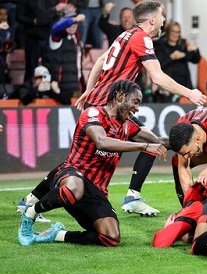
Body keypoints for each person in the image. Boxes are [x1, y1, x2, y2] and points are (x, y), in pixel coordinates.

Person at [72, 0, 205, 216]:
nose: (164, 21)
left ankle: (133, 195)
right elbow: (157, 76)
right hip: (109, 106)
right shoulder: (141, 38)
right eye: (162, 16)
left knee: (149, 142)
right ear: (152, 19)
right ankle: (34, 201)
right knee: (81, 161)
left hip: (102, 101)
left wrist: (89, 89)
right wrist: (189, 92)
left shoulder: (126, 34)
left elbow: (99, 62)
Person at [17, 79, 167, 247]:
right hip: (71, 175)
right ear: (119, 97)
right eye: (135, 102)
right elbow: (101, 141)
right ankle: (31, 213)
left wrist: (187, 141)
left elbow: (159, 141)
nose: (137, 108)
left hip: (97, 191)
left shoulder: (127, 126)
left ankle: (57, 234)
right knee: (75, 188)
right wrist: (144, 146)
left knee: (111, 237)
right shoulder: (93, 114)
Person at [16, 0, 68, 82]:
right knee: (31, 66)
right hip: (32, 37)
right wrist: (33, 21)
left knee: (49, 66)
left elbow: (56, 15)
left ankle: (48, 91)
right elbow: (19, 16)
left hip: (48, 36)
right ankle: (28, 91)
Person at [152, 20, 201, 103]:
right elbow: (158, 66)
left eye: (177, 32)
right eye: (173, 31)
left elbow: (196, 59)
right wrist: (171, 58)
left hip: (184, 85)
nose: (175, 34)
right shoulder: (160, 45)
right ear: (168, 32)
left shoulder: (183, 45)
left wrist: (195, 51)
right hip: (168, 87)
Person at [43, 13, 87, 105]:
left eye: (74, 24)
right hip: (60, 88)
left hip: (76, 87)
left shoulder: (77, 40)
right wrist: (74, 20)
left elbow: (78, 65)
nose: (72, 26)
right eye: (69, 24)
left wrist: (82, 85)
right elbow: (55, 28)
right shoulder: (57, 38)